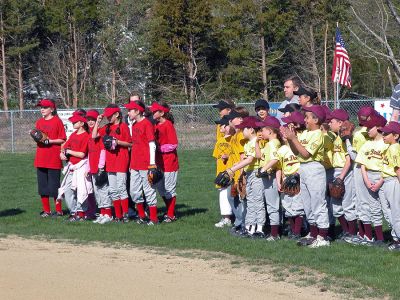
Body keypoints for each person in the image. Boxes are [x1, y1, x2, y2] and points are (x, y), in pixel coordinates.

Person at [281, 105, 330, 248]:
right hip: (304, 167)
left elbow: (306, 154)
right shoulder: (306, 133)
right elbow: (297, 152)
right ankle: (313, 233)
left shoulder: (318, 134)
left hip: (314, 167)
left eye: (308, 117)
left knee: (317, 202)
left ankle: (323, 236)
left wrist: (293, 138)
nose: (305, 119)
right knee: (307, 203)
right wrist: (290, 139)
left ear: (316, 120)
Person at [353, 113, 389, 246]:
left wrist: (380, 181)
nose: (367, 130)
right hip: (369, 177)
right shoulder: (367, 144)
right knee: (374, 208)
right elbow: (362, 164)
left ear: (379, 127)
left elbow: (387, 165)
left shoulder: (386, 145)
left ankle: (396, 238)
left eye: (370, 128)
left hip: (382, 177)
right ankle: (380, 239)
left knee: (387, 209)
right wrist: (367, 181)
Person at [92, 104, 132, 223]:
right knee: (113, 190)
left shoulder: (124, 127)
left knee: (121, 188)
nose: (108, 118)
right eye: (107, 116)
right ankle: (118, 215)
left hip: (121, 160)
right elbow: (94, 136)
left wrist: (117, 142)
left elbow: (130, 144)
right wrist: (98, 122)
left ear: (117, 114)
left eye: (110, 116)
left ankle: (125, 214)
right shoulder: (107, 127)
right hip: (110, 162)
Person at [228, 117, 264, 237]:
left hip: (256, 174)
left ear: (251, 130)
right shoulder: (248, 143)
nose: (241, 131)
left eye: (244, 129)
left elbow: (250, 160)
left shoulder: (255, 142)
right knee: (250, 201)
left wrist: (233, 169)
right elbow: (244, 159)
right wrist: (236, 166)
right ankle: (250, 227)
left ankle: (259, 228)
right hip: (249, 174)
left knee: (257, 201)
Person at [125, 100, 159, 225]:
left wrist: (151, 163)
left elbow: (152, 144)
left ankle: (154, 219)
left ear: (137, 111)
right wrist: (130, 164)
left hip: (146, 164)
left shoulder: (147, 124)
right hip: (134, 164)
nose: (128, 112)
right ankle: (141, 216)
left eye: (130, 110)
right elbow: (134, 145)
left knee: (149, 190)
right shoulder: (134, 125)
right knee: (134, 191)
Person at [33, 99, 67, 217]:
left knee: (54, 186)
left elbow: (62, 138)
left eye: (45, 107)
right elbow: (38, 138)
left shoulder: (57, 121)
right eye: (41, 107)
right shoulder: (39, 122)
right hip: (41, 157)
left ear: (51, 109)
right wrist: (34, 136)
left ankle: (59, 210)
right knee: (43, 186)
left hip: (53, 158)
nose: (42, 109)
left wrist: (50, 140)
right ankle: (46, 211)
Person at [328, 109, 357, 240]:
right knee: (335, 206)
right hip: (336, 172)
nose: (329, 124)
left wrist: (341, 177)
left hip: (344, 173)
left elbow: (349, 160)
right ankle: (346, 231)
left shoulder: (345, 137)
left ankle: (352, 233)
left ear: (340, 123)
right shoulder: (336, 137)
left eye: (332, 121)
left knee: (348, 204)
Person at [59, 112, 92, 221]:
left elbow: (82, 154)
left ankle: (81, 214)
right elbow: (64, 147)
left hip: (81, 166)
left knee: (81, 191)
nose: (72, 122)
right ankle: (74, 212)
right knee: (67, 190)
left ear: (82, 123)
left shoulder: (86, 136)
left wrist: (68, 151)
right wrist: (62, 152)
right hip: (72, 167)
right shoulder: (73, 134)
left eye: (75, 121)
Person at [150, 101, 179, 222]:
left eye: (155, 111)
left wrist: (159, 148)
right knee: (160, 187)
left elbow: (173, 144)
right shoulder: (155, 125)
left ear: (161, 113)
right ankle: (170, 212)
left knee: (169, 188)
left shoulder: (168, 125)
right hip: (159, 162)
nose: (152, 113)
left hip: (169, 162)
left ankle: (171, 214)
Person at [255, 116, 282, 241]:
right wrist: (256, 142)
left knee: (272, 206)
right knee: (271, 205)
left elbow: (275, 159)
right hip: (268, 177)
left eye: (263, 129)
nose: (261, 132)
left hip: (271, 177)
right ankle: (274, 232)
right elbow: (259, 156)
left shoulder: (273, 143)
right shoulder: (269, 144)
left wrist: (263, 169)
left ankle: (275, 234)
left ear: (270, 131)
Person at [86, 109, 112, 224]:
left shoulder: (101, 131)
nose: (90, 122)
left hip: (100, 167)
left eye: (93, 119)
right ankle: (102, 213)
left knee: (103, 191)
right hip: (92, 167)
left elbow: (103, 150)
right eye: (88, 120)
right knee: (97, 192)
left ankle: (108, 214)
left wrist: (101, 166)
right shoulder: (89, 134)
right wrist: (88, 168)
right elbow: (89, 153)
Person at [377, 122, 400, 250]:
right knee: (390, 212)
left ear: (396, 136)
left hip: (393, 181)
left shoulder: (394, 148)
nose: (383, 135)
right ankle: (396, 238)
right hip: (387, 181)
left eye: (386, 133)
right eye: (383, 133)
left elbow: (398, 169)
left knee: (396, 213)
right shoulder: (390, 147)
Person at [213, 116, 235, 227]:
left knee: (230, 194)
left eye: (221, 125)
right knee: (222, 194)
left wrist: (228, 156)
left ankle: (230, 218)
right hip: (221, 172)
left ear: (228, 126)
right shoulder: (219, 141)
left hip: (231, 172)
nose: (219, 127)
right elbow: (216, 157)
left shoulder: (233, 139)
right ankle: (226, 218)